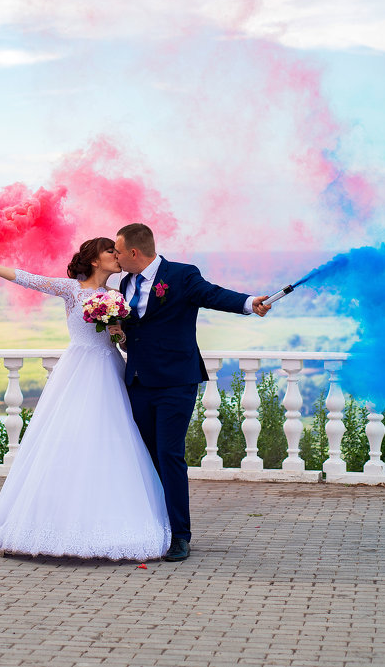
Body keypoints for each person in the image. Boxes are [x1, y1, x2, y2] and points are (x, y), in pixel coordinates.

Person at [0, 238, 171, 561]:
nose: (117, 256)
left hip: (110, 369)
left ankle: (110, 519)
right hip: (79, 372)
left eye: (117, 251)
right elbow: (25, 277)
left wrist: (118, 332)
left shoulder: (117, 296)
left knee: (114, 442)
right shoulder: (73, 290)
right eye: (110, 251)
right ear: (95, 260)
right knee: (69, 441)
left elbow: (126, 344)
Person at [114, 223, 271, 562]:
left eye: (118, 251)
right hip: (138, 381)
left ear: (134, 253)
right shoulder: (125, 282)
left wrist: (248, 303)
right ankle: (154, 527)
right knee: (147, 456)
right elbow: (132, 329)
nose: (116, 256)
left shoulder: (182, 275)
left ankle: (180, 536)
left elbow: (213, 294)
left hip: (175, 381)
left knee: (170, 456)